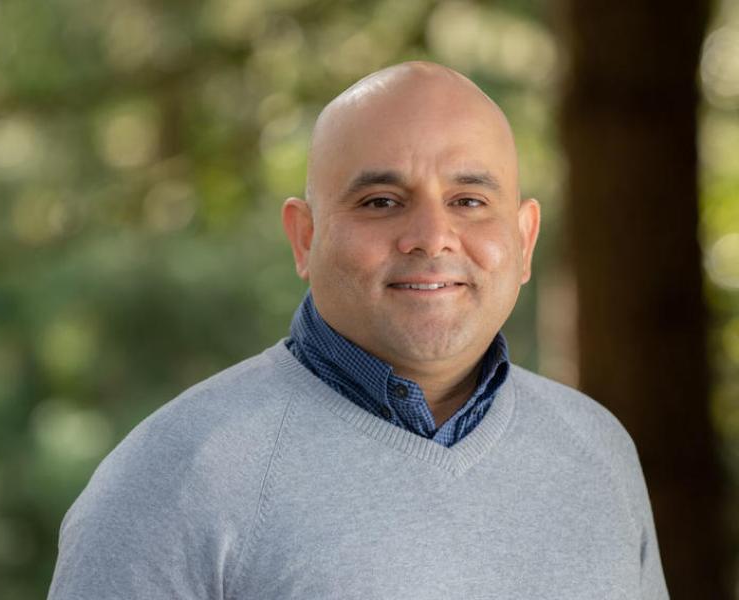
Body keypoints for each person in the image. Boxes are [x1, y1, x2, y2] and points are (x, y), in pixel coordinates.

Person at [48, 62, 668, 599]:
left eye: (469, 201)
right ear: (305, 237)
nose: (431, 235)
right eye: (381, 201)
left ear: (525, 240)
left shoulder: (597, 451)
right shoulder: (175, 477)